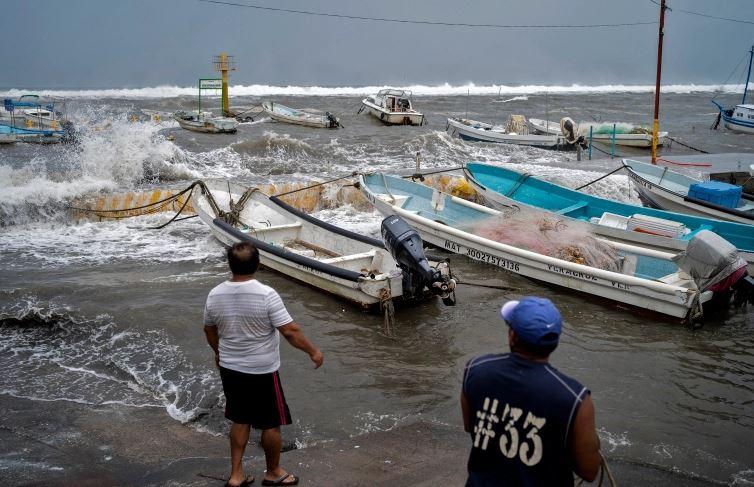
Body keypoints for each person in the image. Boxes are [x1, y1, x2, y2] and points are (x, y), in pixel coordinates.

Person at [204, 241, 324, 487]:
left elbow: (208, 328)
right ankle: (273, 472)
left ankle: (236, 475)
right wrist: (313, 351)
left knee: (240, 419)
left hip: (230, 368)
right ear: (258, 264)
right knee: (271, 423)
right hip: (262, 371)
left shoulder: (215, 294)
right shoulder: (266, 294)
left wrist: (218, 352)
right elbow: (290, 331)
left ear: (230, 265)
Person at [460, 297, 601, 486]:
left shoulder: (475, 370)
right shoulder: (575, 398)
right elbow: (589, 470)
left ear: (512, 335)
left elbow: (471, 426)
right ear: (555, 342)